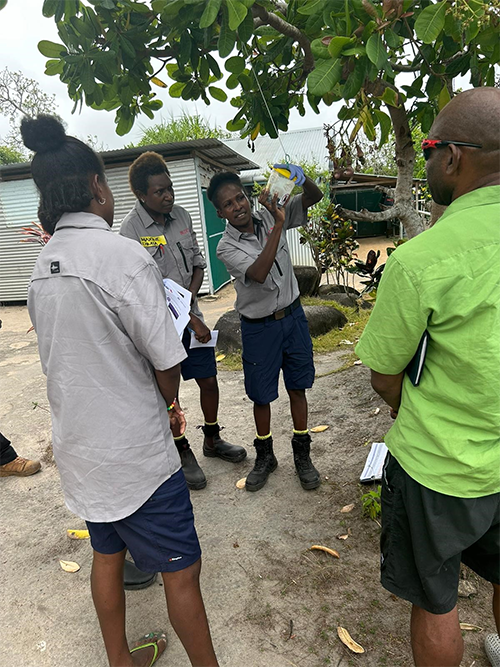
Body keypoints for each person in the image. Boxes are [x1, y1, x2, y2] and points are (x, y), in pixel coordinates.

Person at [22, 115, 219, 667]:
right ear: (96, 187)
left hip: (81, 450)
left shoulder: (41, 266)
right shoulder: (122, 256)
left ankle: (120, 661)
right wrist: (169, 404)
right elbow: (165, 361)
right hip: (136, 454)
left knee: (106, 556)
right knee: (182, 570)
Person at [355, 87, 500, 667]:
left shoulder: (420, 261)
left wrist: (403, 409)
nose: (431, 156)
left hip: (439, 468)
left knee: (436, 601)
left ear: (455, 157)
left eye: (431, 145)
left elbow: (385, 376)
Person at [120, 152, 246, 491]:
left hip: (193, 317)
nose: (168, 196)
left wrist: (190, 298)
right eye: (159, 191)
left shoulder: (182, 216)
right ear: (141, 195)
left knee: (208, 380)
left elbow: (197, 263)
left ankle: (212, 438)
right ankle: (180, 448)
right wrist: (188, 318)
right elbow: (149, 287)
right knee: (169, 394)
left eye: (170, 188)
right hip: (159, 328)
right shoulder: (130, 231)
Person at [208, 167, 323, 492]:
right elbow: (258, 272)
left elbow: (314, 197)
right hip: (259, 329)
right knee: (262, 396)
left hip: (293, 317)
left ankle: (302, 455)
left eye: (240, 198)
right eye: (229, 204)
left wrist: (299, 179)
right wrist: (278, 224)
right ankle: (266, 455)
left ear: (247, 196)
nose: (238, 206)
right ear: (220, 213)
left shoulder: (272, 209)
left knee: (297, 387)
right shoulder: (226, 248)